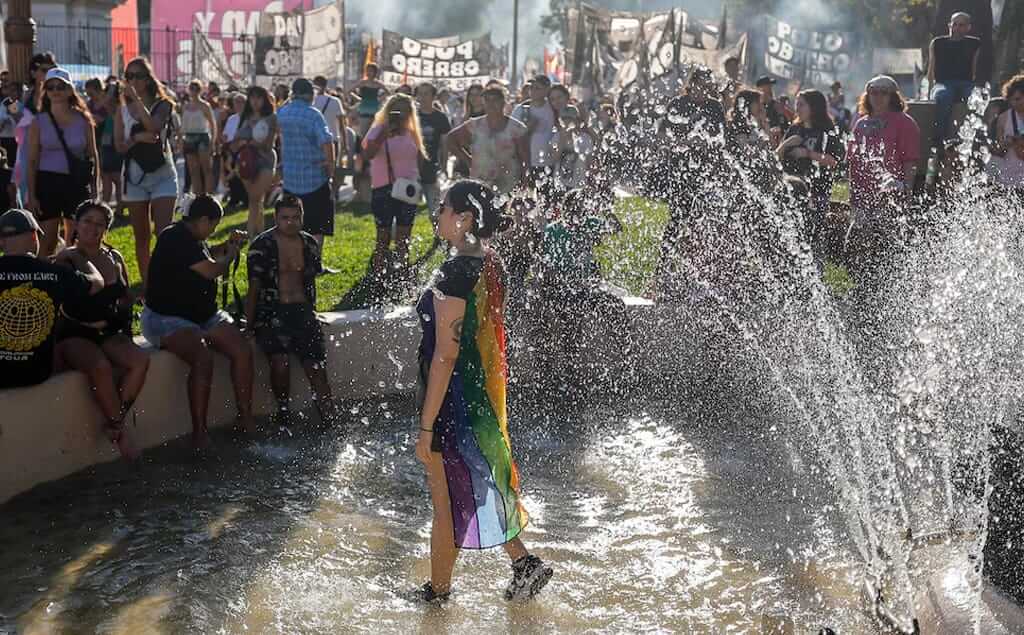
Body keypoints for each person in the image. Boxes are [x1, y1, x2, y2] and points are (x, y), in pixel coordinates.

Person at [414, 179, 552, 604]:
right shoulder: (489, 261)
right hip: (475, 398)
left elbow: (445, 354)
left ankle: (437, 597)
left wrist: (425, 427)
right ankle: (524, 565)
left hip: (450, 401)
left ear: (465, 218)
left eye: (442, 208)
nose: (436, 215)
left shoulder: (456, 272)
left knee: (444, 502)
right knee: (476, 478)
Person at [141, 195, 253, 448]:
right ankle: (200, 433)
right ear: (203, 220)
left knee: (242, 349)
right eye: (213, 225)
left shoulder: (191, 237)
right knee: (203, 358)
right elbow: (213, 270)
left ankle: (245, 418)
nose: (213, 229)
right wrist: (230, 255)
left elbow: (206, 254)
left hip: (203, 315)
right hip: (167, 318)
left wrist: (226, 244)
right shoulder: (175, 237)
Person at [55, 201, 149, 458]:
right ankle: (122, 435)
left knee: (139, 360)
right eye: (87, 221)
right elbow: (61, 305)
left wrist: (125, 325)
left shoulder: (115, 257)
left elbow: (126, 297)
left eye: (100, 224)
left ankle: (115, 424)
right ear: (76, 225)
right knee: (100, 367)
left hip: (108, 330)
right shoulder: (66, 259)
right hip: (74, 332)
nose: (93, 229)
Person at [245, 195, 337, 429]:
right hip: (272, 312)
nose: (291, 222)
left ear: (302, 217)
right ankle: (284, 414)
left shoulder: (309, 244)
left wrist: (313, 312)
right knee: (280, 362)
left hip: (303, 311)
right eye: (285, 218)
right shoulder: (261, 246)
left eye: (296, 217)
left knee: (316, 367)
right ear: (275, 218)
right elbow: (253, 287)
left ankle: (330, 419)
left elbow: (310, 282)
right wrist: (249, 323)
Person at [1, 209, 106, 392]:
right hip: (36, 373)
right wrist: (76, 256)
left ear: (1, 241)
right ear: (34, 237)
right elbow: (98, 283)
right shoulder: (54, 273)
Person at [846, 75, 921, 278]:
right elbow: (853, 162)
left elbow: (910, 161)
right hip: (863, 197)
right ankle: (861, 290)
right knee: (853, 247)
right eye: (873, 92)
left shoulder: (904, 123)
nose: (877, 97)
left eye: (883, 93)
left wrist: (906, 190)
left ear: (892, 96)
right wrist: (852, 195)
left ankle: (882, 293)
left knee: (885, 251)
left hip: (889, 199)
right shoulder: (860, 124)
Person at [114, 56, 178, 287]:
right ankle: (149, 284)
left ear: (148, 79)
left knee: (164, 234)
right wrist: (136, 137)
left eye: (138, 76)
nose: (132, 81)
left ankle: (166, 283)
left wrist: (137, 102)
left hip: (162, 175)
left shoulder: (163, 104)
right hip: (134, 177)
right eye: (128, 76)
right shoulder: (121, 111)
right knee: (141, 236)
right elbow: (119, 146)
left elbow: (154, 126)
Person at [24, 67, 99, 258]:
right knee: (47, 240)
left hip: (76, 182)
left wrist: (95, 187)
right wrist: (31, 195)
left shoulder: (83, 119)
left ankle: (73, 280)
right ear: (45, 92)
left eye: (61, 86)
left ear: (69, 90)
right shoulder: (38, 121)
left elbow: (93, 154)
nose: (56, 91)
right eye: (51, 87)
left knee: (75, 240)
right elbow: (32, 160)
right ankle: (43, 282)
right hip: (48, 182)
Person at [362, 93, 425, 277]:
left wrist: (417, 178)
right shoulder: (379, 129)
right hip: (384, 187)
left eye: (406, 111)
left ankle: (402, 272)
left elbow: (419, 157)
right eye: (397, 111)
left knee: (404, 235)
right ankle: (379, 272)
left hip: (408, 188)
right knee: (383, 235)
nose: (402, 115)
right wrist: (383, 135)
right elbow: (367, 155)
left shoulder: (412, 132)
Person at [277, 78, 336, 271]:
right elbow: (327, 141)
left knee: (291, 224)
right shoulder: (313, 115)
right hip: (314, 177)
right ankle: (314, 264)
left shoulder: (283, 112)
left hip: (291, 177)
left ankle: (292, 262)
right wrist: (330, 166)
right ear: (310, 94)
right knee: (317, 225)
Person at [447, 86, 528, 196]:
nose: (491, 104)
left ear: (503, 102)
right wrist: (467, 159)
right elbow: (450, 139)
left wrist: (524, 181)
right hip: (480, 181)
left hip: (508, 182)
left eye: (495, 100)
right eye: (487, 100)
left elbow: (525, 158)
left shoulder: (516, 128)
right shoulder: (475, 125)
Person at [777, 89, 844, 214]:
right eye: (796, 104)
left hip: (818, 193)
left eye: (801, 104)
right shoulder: (794, 129)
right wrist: (786, 144)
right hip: (792, 189)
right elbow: (778, 157)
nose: (797, 109)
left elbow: (835, 162)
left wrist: (807, 153)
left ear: (814, 107)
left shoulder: (827, 131)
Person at [928, 12, 981, 147]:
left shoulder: (974, 43)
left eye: (961, 25)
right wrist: (930, 90)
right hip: (943, 83)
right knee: (943, 96)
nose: (956, 28)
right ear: (949, 25)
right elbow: (931, 69)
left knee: (975, 98)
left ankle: (975, 139)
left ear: (968, 27)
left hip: (965, 83)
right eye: (954, 24)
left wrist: (975, 87)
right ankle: (939, 139)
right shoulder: (938, 42)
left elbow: (975, 69)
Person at [231, 86, 278, 239]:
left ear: (265, 100)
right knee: (257, 200)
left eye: (259, 98)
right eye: (252, 98)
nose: (255, 101)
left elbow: (267, 144)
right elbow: (235, 142)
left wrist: (249, 141)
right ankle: (261, 233)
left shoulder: (271, 118)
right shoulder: (245, 118)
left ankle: (250, 235)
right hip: (246, 161)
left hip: (265, 160)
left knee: (254, 198)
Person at [511, 75, 558, 185]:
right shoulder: (521, 109)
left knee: (546, 196)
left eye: (537, 88)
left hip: (547, 161)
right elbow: (511, 134)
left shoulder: (553, 108)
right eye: (531, 88)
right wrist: (527, 128)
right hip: (525, 160)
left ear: (547, 90)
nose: (532, 91)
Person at [85, 78, 123, 211]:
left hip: (115, 143)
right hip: (105, 143)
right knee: (106, 178)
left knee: (118, 179)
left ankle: (119, 207)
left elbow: (106, 105)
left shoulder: (118, 107)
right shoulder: (102, 105)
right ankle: (104, 208)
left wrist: (112, 89)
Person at [415, 83, 452, 216]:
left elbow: (444, 144)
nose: (422, 97)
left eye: (426, 93)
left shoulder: (440, 118)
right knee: (406, 210)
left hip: (431, 167)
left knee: (435, 210)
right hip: (411, 168)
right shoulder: (412, 116)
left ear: (433, 96)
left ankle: (439, 235)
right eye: (420, 93)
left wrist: (444, 165)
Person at [181, 79, 218, 195]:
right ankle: (198, 196)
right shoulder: (186, 106)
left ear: (200, 90)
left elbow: (213, 124)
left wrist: (213, 142)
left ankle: (209, 195)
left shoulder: (205, 106)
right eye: (191, 88)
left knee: (206, 169)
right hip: (189, 137)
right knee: (193, 170)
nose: (194, 91)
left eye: (196, 88)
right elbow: (183, 125)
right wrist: (181, 140)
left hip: (202, 137)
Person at [989, 75, 1024, 192]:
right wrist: (1008, 143)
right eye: (1015, 99)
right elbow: (998, 148)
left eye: (1020, 98)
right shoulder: (1004, 118)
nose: (1018, 103)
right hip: (1009, 171)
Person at [351, 63, 387, 137]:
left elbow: (388, 92)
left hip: (375, 112)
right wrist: (359, 99)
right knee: (363, 135)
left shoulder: (378, 83)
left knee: (374, 135)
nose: (369, 72)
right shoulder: (362, 82)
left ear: (375, 72)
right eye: (367, 70)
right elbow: (349, 91)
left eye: (371, 71)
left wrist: (379, 99)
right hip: (363, 111)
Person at [755, 76, 791, 146]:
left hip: (774, 141)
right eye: (768, 86)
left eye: (770, 86)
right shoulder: (756, 105)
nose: (770, 88)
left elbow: (784, 125)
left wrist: (779, 128)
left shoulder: (776, 106)